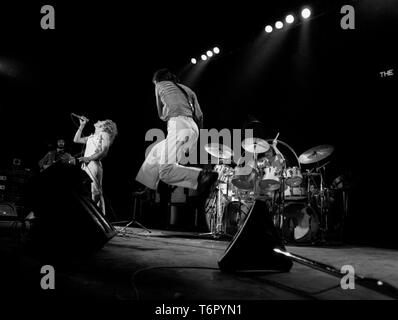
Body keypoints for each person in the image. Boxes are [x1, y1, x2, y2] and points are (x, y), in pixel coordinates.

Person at [135, 68, 217, 196]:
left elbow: (161, 114)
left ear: (157, 80)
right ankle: (149, 189)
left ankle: (201, 175)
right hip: (193, 128)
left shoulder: (159, 85)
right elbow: (200, 116)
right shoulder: (187, 90)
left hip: (178, 126)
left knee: (166, 171)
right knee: (156, 151)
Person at [73, 117, 118, 215]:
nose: (98, 121)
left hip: (94, 163)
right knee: (89, 192)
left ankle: (99, 217)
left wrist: (88, 158)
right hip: (86, 165)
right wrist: (82, 125)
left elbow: (104, 151)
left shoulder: (104, 134)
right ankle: (96, 217)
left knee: (96, 192)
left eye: (101, 121)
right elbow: (76, 139)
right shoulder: (92, 136)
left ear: (105, 126)